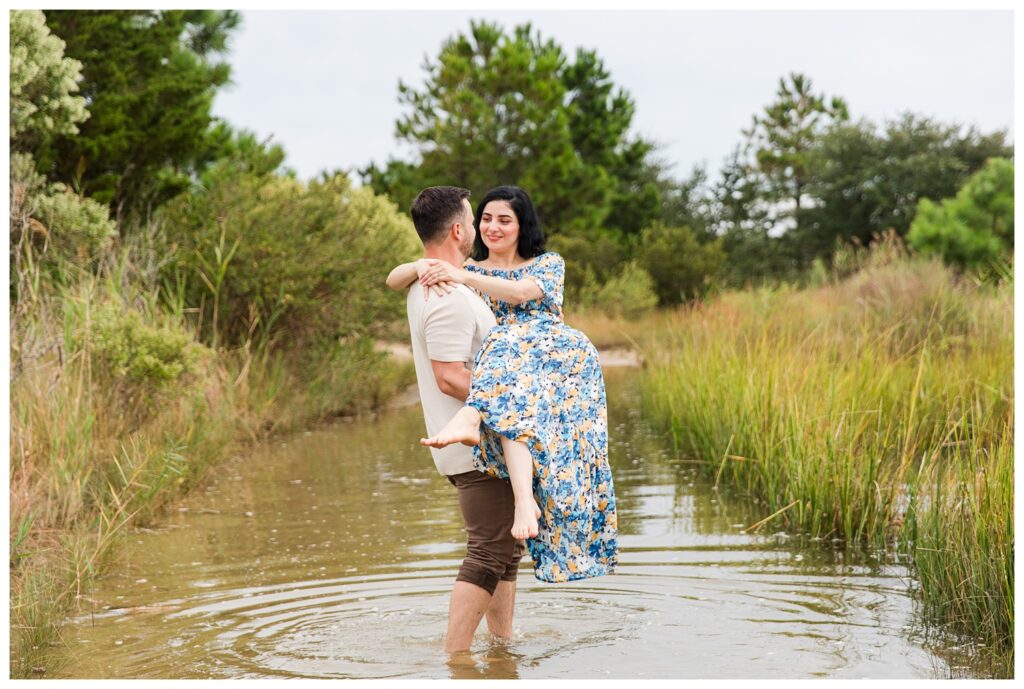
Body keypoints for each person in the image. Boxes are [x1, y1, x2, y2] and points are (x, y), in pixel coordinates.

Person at [387, 185, 618, 584]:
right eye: (486, 218)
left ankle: (475, 417)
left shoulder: (544, 265)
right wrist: (418, 267)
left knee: (565, 479)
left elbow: (521, 292)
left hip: (555, 369)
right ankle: (523, 502)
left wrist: (463, 274)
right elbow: (396, 277)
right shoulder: (464, 272)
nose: (492, 227)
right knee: (510, 388)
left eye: (504, 219)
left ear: (521, 225)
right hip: (508, 384)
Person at [393, 186, 526, 654]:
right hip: (473, 449)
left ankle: (501, 647)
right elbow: (450, 377)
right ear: (457, 230)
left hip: (482, 444)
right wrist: (518, 399)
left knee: (506, 551)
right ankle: (457, 660)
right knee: (489, 551)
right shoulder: (446, 293)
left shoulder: (438, 280)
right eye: (473, 221)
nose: (478, 230)